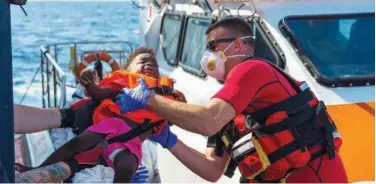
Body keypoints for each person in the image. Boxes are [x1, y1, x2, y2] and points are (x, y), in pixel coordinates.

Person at [115, 17, 348, 183]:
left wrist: (148, 99)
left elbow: (207, 120)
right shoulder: (229, 107)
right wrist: (168, 139)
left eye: (212, 46)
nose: (207, 54)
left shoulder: (252, 69)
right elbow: (212, 170)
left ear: (237, 45)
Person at [15, 47, 185, 183]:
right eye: (143, 61)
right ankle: (36, 168)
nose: (149, 65)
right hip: (110, 128)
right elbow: (99, 93)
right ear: (127, 70)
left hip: (132, 143)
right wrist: (89, 84)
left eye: (154, 64)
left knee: (126, 167)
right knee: (75, 145)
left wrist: (178, 105)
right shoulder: (125, 84)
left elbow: (172, 119)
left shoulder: (165, 94)